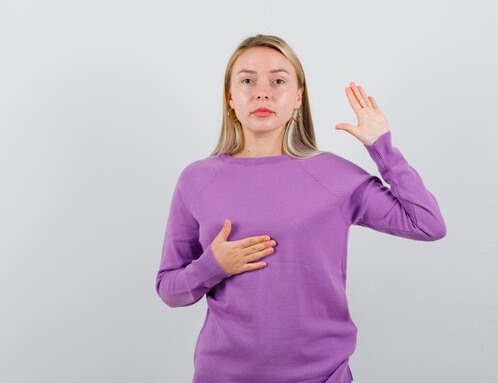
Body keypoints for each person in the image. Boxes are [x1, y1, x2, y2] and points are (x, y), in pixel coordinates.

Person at [155, 34, 447, 383]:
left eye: (278, 81)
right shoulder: (196, 179)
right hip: (223, 375)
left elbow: (427, 224)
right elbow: (170, 289)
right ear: (231, 97)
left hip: (321, 375)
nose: (262, 92)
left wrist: (381, 147)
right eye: (248, 80)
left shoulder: (336, 176)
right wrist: (213, 266)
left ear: (297, 98)